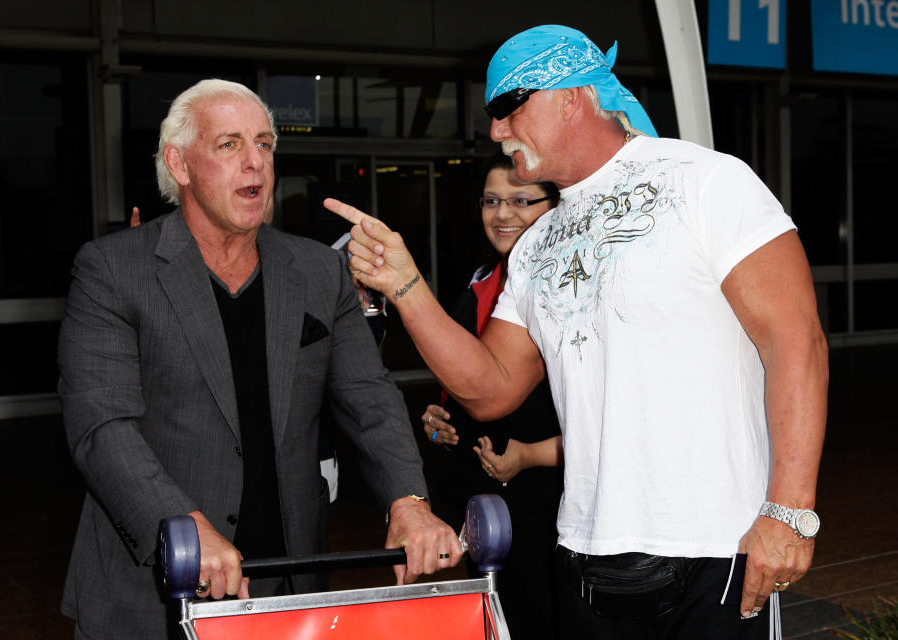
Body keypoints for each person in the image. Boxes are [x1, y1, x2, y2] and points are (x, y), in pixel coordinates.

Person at [326, 24, 828, 639]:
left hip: (716, 548)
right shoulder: (535, 244)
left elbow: (796, 342)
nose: (496, 131)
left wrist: (790, 513)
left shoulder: (708, 181)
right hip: (584, 551)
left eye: (509, 107)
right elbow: (492, 389)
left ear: (574, 95)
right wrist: (406, 286)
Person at [58, 78, 461, 639]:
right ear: (179, 163)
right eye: (229, 145)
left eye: (265, 144)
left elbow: (369, 396)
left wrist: (408, 500)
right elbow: (102, 427)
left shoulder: (318, 271)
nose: (255, 163)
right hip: (152, 589)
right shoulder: (113, 270)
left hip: (288, 585)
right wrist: (183, 525)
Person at [420, 151, 563, 637]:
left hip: (550, 501)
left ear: (555, 204)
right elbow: (464, 385)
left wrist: (532, 456)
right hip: (481, 498)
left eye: (522, 200)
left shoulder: (571, 285)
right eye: (491, 201)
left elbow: (613, 418)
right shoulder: (479, 281)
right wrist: (442, 421)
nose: (503, 215)